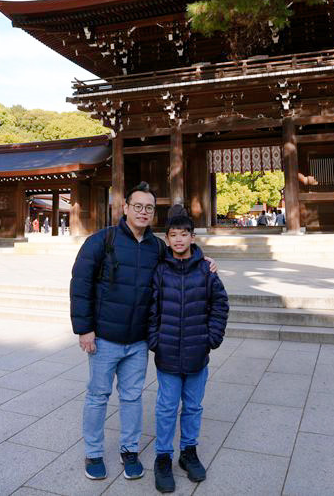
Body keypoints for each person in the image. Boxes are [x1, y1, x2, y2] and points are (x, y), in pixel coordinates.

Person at [69, 182, 218, 482]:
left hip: (137, 341)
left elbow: (182, 257)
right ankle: (94, 452)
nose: (143, 212)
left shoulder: (156, 247)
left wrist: (204, 260)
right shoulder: (102, 240)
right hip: (104, 338)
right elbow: (80, 284)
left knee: (132, 397)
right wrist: (84, 329)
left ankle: (129, 450)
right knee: (98, 396)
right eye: (137, 206)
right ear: (124, 208)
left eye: (149, 208)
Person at [148, 214, 229, 493]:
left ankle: (188, 452)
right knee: (167, 407)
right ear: (167, 239)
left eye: (184, 234)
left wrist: (212, 338)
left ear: (192, 237)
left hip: (197, 351)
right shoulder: (160, 270)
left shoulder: (206, 271)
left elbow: (220, 305)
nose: (179, 239)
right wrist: (154, 339)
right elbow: (152, 308)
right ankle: (162, 457)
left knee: (193, 406)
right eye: (173, 234)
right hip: (167, 351)